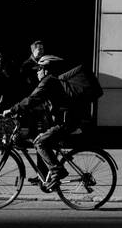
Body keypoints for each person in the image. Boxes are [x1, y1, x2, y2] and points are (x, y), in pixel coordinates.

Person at [5, 59, 102, 192]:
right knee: (41, 140)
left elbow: (32, 99)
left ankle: (57, 171)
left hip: (66, 123)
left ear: (46, 69)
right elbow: (41, 103)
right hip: (65, 121)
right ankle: (47, 178)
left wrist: (12, 109)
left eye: (39, 69)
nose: (37, 73)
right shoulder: (52, 82)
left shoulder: (48, 81)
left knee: (39, 142)